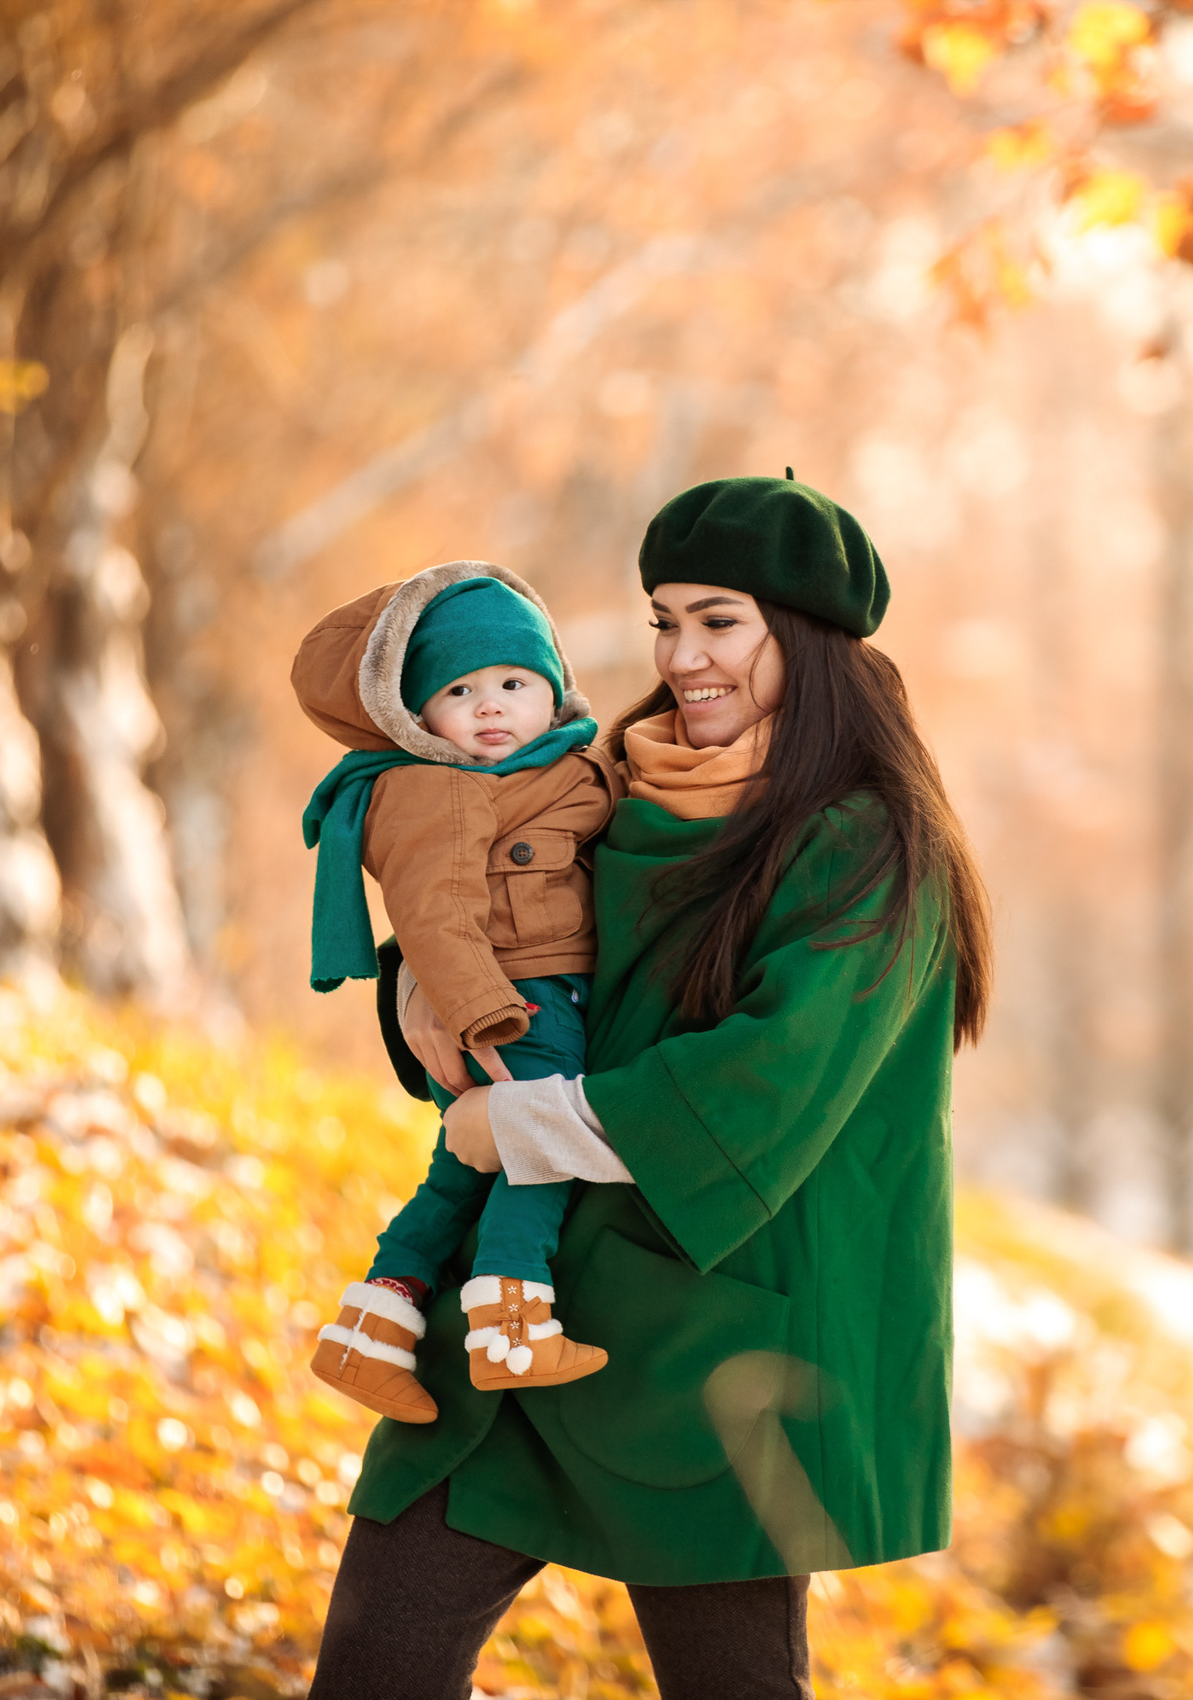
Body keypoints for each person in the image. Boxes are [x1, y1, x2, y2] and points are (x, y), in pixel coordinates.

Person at [309, 475, 993, 1700]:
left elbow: (762, 1082)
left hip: (714, 1336)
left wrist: (517, 1121)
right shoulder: (597, 782)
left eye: (718, 621)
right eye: (664, 620)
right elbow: (520, 944)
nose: (681, 657)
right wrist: (420, 992)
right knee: (376, 1659)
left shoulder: (866, 840)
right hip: (523, 1303)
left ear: (807, 635)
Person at [293, 563, 617, 1424]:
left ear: (552, 689)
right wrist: (483, 1016)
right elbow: (433, 912)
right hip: (515, 1008)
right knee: (542, 1152)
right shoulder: (435, 788)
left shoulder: (556, 765)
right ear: (418, 714)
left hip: (529, 1000)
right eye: (460, 691)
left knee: (460, 1176)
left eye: (514, 683)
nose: (490, 708)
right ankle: (514, 1328)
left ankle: (369, 1331)